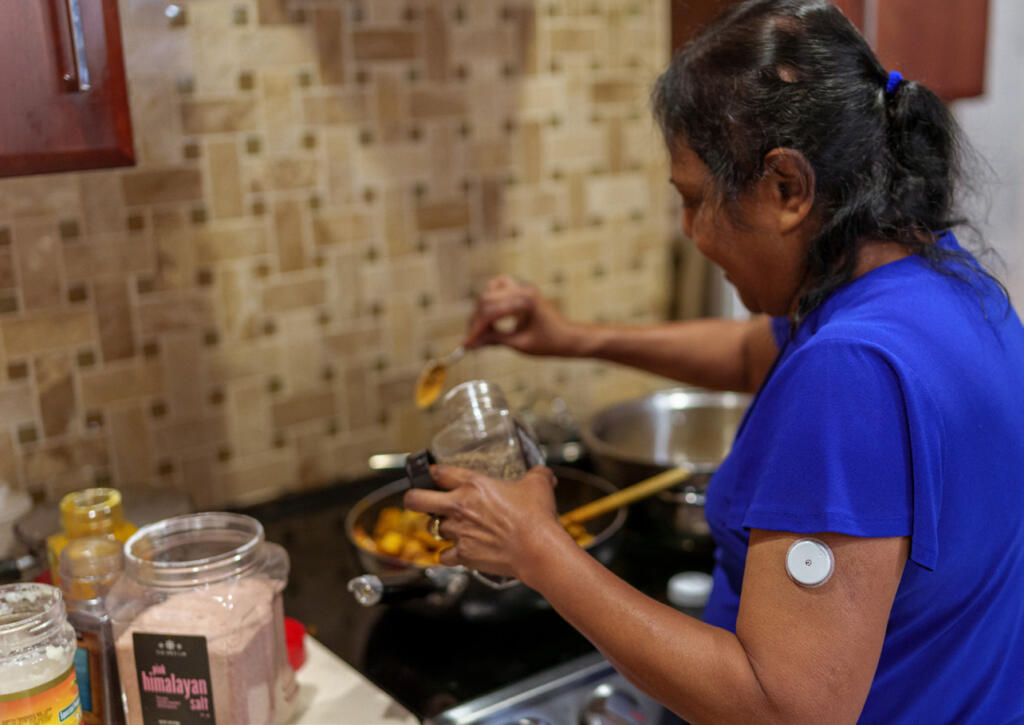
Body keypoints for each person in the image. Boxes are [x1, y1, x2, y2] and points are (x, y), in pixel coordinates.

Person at [404, 1, 1024, 722]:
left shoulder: (851, 370)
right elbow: (745, 351)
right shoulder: (948, 283)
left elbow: (784, 708)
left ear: (787, 188)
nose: (691, 232)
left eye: (695, 199)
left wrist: (538, 547)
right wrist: (571, 336)